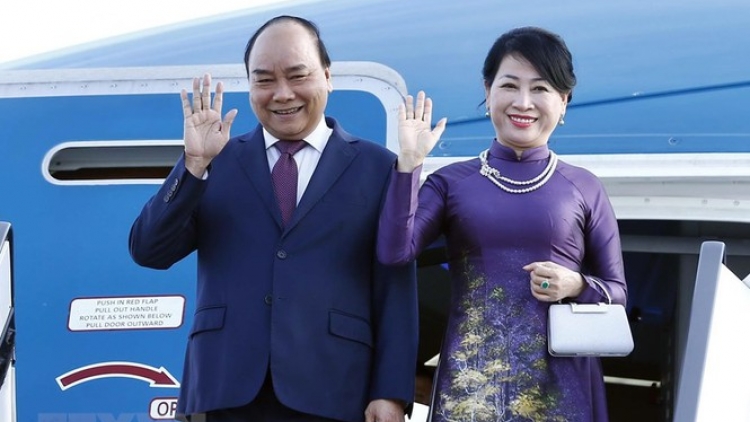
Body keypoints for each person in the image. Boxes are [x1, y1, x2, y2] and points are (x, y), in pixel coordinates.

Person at [129, 15, 419, 422]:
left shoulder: (378, 167)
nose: (282, 94)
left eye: (298, 76)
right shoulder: (216, 160)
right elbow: (149, 251)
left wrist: (390, 392)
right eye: (264, 80)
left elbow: (395, 288)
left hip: (336, 388)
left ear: (327, 77)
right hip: (223, 390)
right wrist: (193, 164)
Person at [377, 26, 627, 422]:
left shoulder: (584, 186)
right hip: (472, 385)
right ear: (488, 91)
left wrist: (577, 285)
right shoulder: (450, 182)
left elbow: (618, 292)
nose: (523, 102)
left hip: (562, 389)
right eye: (509, 85)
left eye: (540, 89)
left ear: (563, 101)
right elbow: (394, 253)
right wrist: (409, 164)